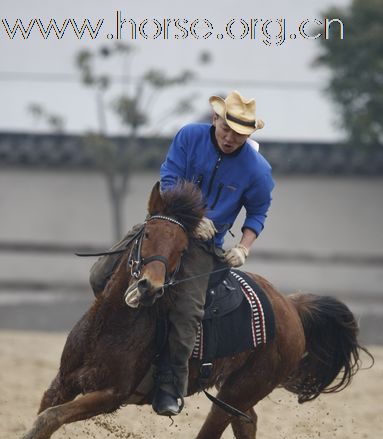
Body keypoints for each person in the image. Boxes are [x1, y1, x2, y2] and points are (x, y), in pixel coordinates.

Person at [90, 90, 275, 417]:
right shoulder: (189, 136)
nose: (231, 138)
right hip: (166, 223)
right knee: (101, 274)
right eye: (226, 129)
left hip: (203, 246)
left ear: (250, 135)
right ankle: (107, 346)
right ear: (215, 119)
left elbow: (258, 211)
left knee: (188, 311)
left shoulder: (258, 169)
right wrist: (192, 217)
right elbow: (169, 177)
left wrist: (243, 248)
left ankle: (170, 386)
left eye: (240, 134)